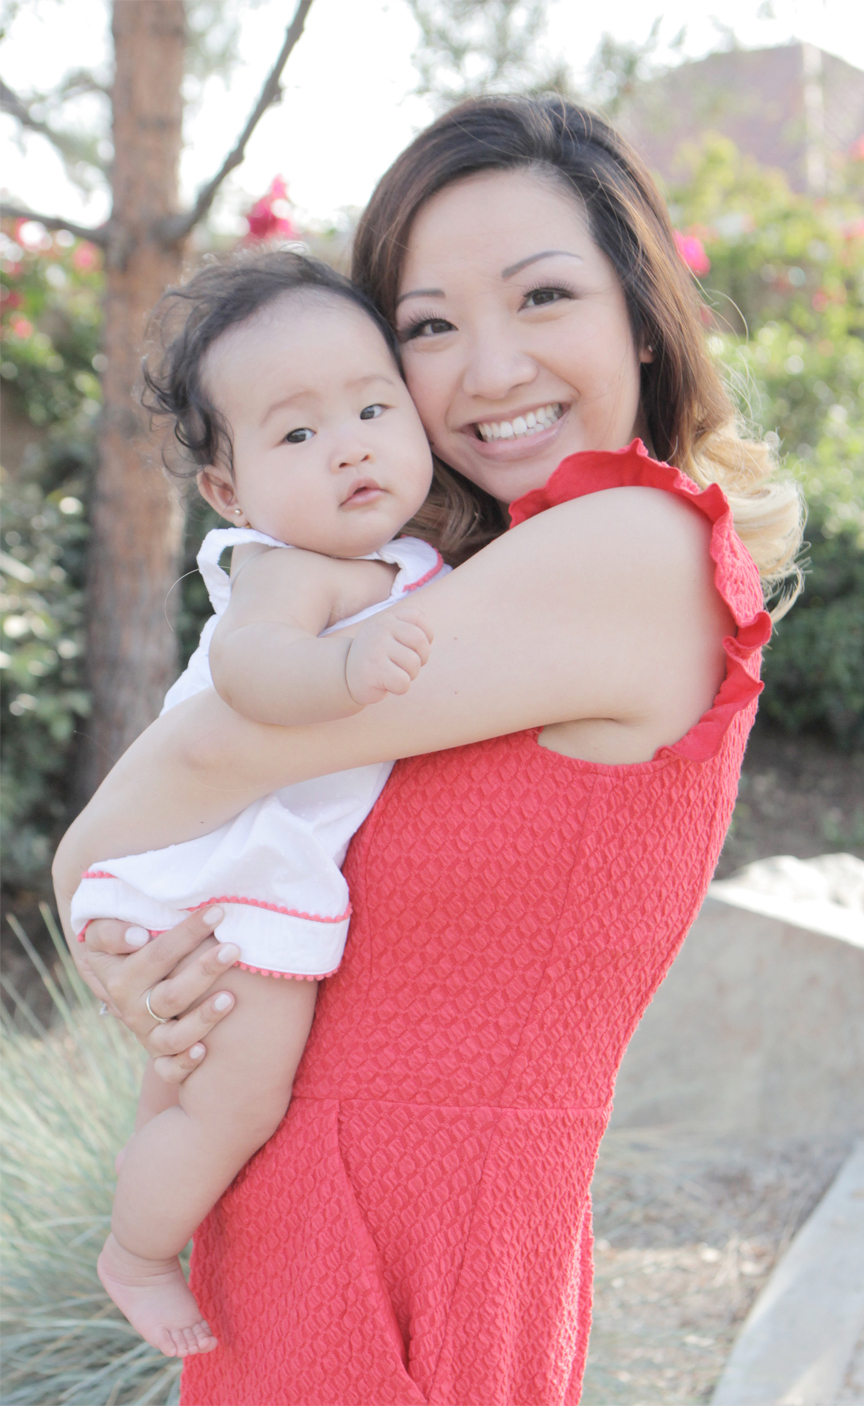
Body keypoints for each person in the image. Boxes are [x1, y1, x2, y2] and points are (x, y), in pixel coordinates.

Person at [53, 95, 803, 1405]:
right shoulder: (460, 579)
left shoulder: (630, 546)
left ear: (638, 310)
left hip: (415, 1238)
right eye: (430, 327)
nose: (490, 367)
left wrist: (87, 884)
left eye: (542, 297)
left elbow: (218, 750)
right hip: (318, 1227)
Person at [68, 253, 449, 1358]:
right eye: (295, 434)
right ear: (228, 494)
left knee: (190, 1088)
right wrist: (348, 676)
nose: (350, 443)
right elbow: (248, 670)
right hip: (224, 870)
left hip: (207, 867)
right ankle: (135, 1253)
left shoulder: (392, 557)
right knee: (240, 1100)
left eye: (375, 406)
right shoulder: (291, 569)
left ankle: (147, 1217)